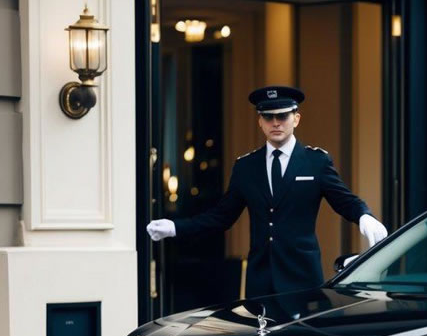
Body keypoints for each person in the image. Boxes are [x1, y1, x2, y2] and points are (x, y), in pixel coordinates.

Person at [146, 85, 388, 298]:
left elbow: (344, 201)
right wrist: (176, 228)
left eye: (282, 116)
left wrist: (363, 215)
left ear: (296, 119)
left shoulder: (316, 162)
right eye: (268, 116)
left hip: (302, 278)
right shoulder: (246, 166)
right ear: (260, 121)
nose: (276, 123)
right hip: (261, 281)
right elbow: (221, 217)